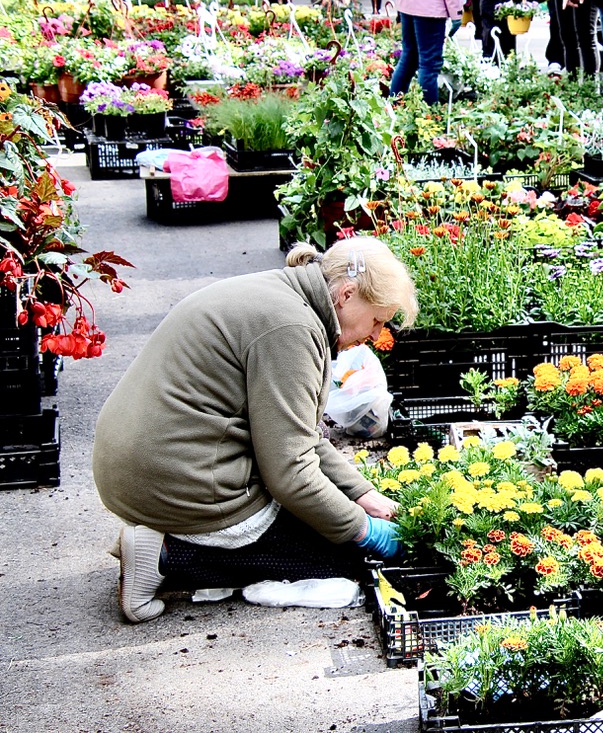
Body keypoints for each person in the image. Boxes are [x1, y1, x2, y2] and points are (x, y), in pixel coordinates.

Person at [95, 238, 417, 624]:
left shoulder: (282, 295)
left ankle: (172, 537)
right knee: (341, 554)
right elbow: (290, 473)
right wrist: (364, 530)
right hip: (174, 475)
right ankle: (166, 554)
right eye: (378, 320)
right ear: (347, 295)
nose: (375, 334)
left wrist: (367, 497)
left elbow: (303, 436)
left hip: (148, 460)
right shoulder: (292, 329)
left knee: (331, 519)